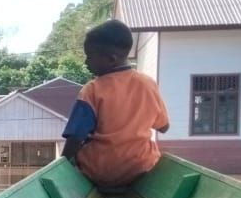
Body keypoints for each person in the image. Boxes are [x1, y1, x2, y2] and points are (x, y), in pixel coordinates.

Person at [61, 19, 170, 189]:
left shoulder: (92, 90)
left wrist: (63, 166)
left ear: (111, 59)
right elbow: (163, 127)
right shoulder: (148, 84)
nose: (86, 62)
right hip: (141, 169)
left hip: (99, 173)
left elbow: (75, 137)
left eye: (90, 56)